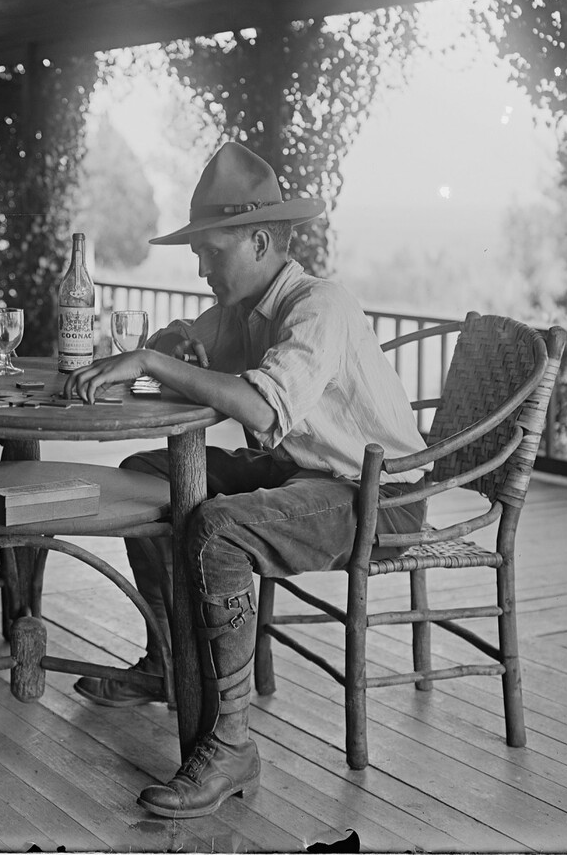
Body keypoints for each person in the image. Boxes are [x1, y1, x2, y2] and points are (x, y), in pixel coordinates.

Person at [64, 142, 431, 819]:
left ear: (261, 241)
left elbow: (262, 407)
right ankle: (170, 661)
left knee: (216, 530)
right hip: (304, 475)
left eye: (212, 250)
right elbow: (192, 339)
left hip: (380, 497)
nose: (200, 265)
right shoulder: (245, 308)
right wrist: (169, 346)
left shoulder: (321, 306)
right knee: (146, 477)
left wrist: (151, 360)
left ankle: (230, 742)